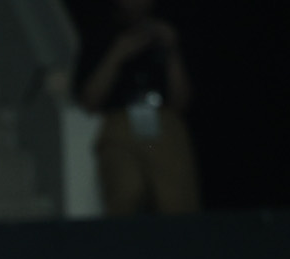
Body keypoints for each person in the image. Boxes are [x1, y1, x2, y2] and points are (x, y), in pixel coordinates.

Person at [73, 0, 199, 216]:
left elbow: (182, 101)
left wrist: (171, 50)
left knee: (175, 200)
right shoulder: (100, 35)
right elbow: (89, 100)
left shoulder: (166, 32)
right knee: (126, 192)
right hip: (121, 123)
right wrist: (118, 53)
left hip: (162, 122)